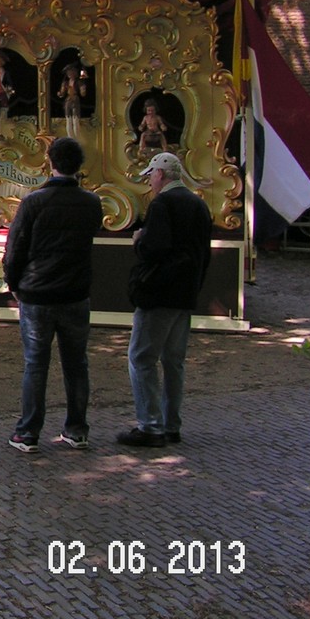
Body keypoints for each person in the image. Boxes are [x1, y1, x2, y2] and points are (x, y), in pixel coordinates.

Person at [2, 137, 103, 453]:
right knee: (76, 364)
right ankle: (76, 429)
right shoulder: (91, 203)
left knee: (36, 363)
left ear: (50, 163)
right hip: (74, 293)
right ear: (79, 166)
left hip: (38, 294)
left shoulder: (34, 202)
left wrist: (14, 284)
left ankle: (28, 431)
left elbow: (15, 249)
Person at [118, 152, 212, 448]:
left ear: (161, 174)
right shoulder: (198, 204)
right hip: (185, 293)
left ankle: (150, 426)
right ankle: (171, 424)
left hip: (159, 292)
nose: (149, 180)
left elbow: (155, 248)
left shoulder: (162, 204)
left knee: (141, 357)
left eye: (151, 175)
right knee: (174, 361)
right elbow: (204, 253)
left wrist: (139, 241)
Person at [58, 61, 87, 139]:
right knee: (68, 120)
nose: (70, 74)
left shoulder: (79, 82)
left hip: (75, 100)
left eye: (71, 72)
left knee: (75, 120)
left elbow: (82, 93)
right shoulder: (66, 83)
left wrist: (83, 90)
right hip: (68, 101)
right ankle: (70, 137)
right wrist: (60, 93)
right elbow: (62, 93)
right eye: (68, 72)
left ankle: (76, 138)